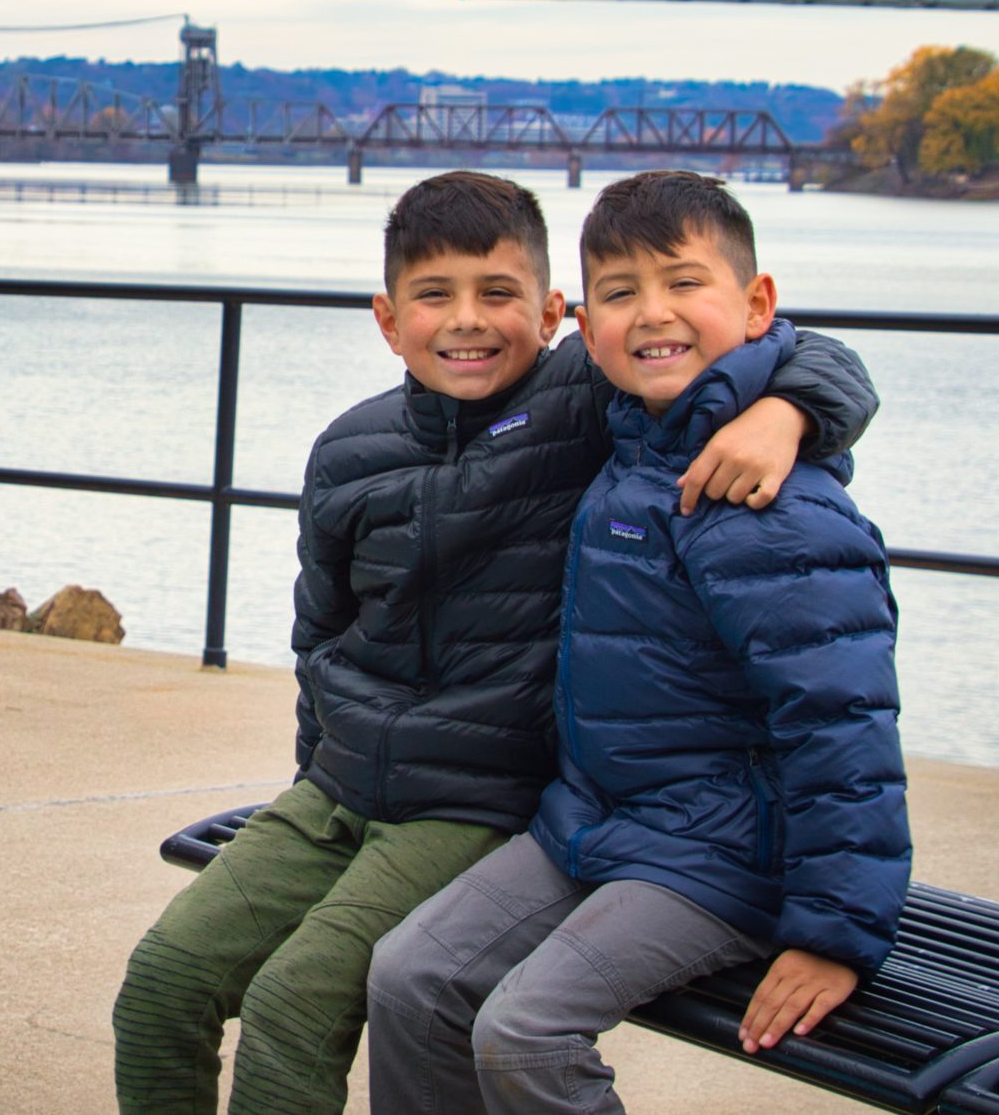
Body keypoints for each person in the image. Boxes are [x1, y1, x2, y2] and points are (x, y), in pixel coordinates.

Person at [112, 170, 879, 1115]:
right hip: (347, 790)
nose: (468, 321)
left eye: (499, 294)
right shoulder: (350, 450)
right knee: (162, 983)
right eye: (435, 295)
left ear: (555, 315)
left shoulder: (588, 403)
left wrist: (784, 412)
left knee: (294, 1005)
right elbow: (321, 635)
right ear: (389, 320)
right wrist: (318, 772)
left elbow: (799, 355)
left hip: (483, 804)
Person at [365, 169, 910, 1115]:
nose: (653, 313)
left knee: (524, 1033)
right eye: (620, 293)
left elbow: (844, 728)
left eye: (683, 282)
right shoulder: (628, 449)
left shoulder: (774, 507)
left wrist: (835, 934)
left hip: (730, 855)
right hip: (600, 819)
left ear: (757, 304)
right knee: (409, 976)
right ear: (584, 327)